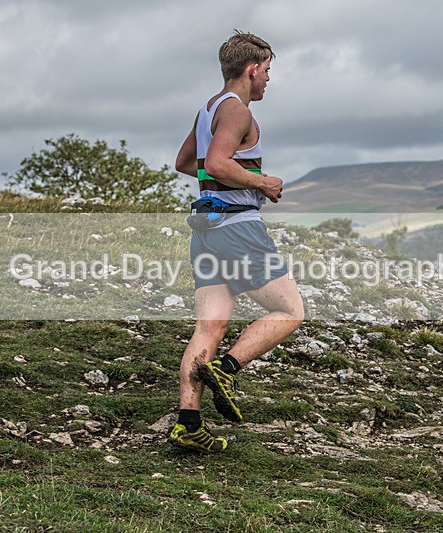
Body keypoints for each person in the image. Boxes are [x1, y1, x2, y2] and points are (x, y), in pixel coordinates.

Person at [169, 31, 304, 453]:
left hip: (207, 230)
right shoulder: (237, 111)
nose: (268, 79)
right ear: (252, 69)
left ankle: (189, 424)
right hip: (237, 229)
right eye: (267, 70)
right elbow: (214, 162)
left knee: (209, 326)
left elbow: (186, 162)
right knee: (290, 311)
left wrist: (226, 177)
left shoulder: (208, 108)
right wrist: (260, 183)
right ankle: (227, 369)